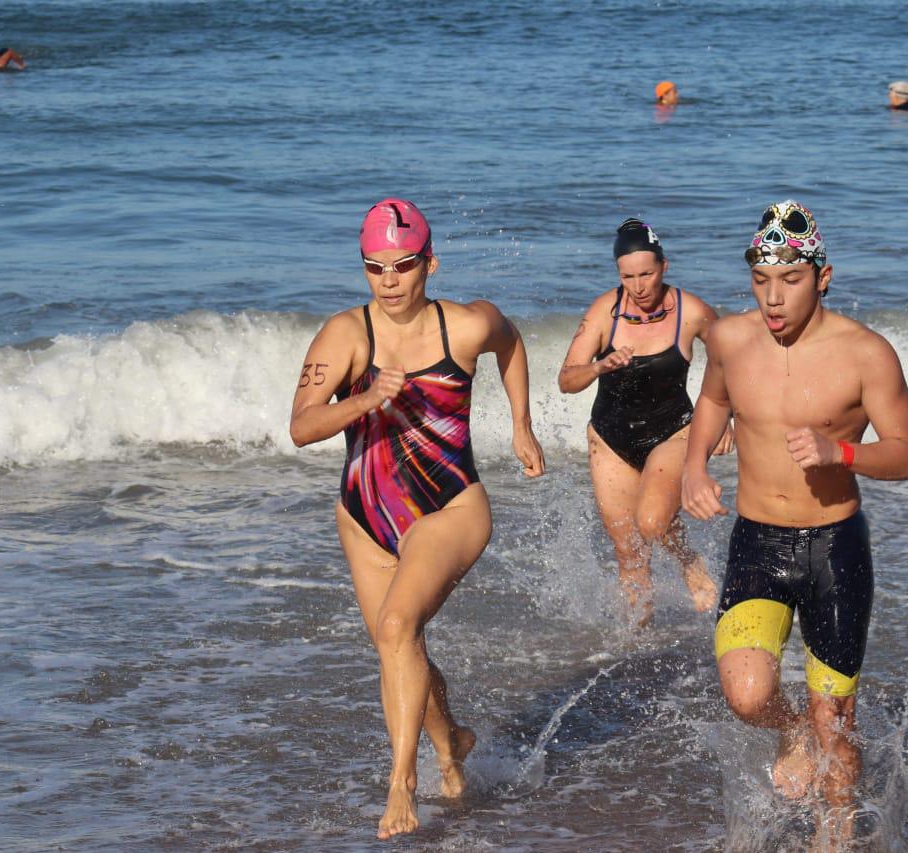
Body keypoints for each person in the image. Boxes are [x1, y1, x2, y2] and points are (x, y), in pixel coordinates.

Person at [289, 198, 545, 840]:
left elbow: (510, 342)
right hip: (364, 515)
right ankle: (451, 739)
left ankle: (402, 783)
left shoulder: (464, 326)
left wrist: (521, 426)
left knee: (398, 626)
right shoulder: (346, 335)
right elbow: (301, 426)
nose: (391, 280)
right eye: (376, 269)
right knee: (399, 644)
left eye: (403, 265)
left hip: (451, 508)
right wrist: (367, 398)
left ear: (429, 262)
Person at [681, 200, 908, 839]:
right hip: (758, 540)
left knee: (835, 722)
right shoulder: (731, 339)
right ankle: (790, 733)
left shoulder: (866, 354)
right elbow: (712, 401)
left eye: (789, 281)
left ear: (823, 275)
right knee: (748, 693)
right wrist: (694, 467)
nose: (774, 298)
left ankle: (833, 835)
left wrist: (840, 451)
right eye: (762, 282)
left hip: (835, 550)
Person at [559, 218, 731, 626]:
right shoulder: (606, 311)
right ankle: (639, 642)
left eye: (647, 275)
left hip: (675, 430)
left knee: (652, 522)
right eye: (628, 276)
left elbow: (733, 356)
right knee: (629, 553)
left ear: (664, 267)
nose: (638, 286)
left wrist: (728, 416)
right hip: (610, 438)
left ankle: (689, 561)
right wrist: (601, 365)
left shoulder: (692, 312)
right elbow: (567, 380)